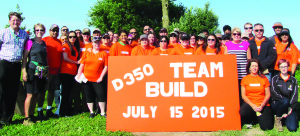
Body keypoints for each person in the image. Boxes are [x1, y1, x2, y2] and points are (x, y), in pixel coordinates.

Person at [0, 12, 29, 127]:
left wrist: (24, 69)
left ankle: (7, 118)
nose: (15, 22)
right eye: (13, 20)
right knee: (1, 91)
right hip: (4, 63)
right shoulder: (3, 32)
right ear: (9, 21)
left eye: (17, 20)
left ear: (20, 21)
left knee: (12, 92)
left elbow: (27, 50)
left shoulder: (24, 34)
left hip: (16, 65)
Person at [76, 36, 108, 118]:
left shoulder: (104, 53)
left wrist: (101, 77)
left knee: (101, 95)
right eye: (95, 42)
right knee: (88, 95)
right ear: (92, 43)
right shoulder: (87, 53)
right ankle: (92, 112)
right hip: (86, 78)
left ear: (100, 43)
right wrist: (79, 74)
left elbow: (106, 67)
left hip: (98, 79)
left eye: (98, 42)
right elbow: (82, 64)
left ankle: (103, 112)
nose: (97, 44)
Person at [22, 23, 47, 125]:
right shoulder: (30, 42)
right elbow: (25, 57)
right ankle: (26, 118)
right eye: (37, 30)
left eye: (41, 30)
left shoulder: (44, 43)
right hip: (32, 69)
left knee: (37, 93)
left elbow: (44, 58)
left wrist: (47, 72)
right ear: (34, 31)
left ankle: (32, 115)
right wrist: (24, 71)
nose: (39, 32)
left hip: (42, 70)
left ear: (44, 31)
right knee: (30, 94)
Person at [240, 59, 274, 130]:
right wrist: (252, 105)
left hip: (262, 104)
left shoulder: (264, 78)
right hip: (250, 103)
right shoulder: (245, 79)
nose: (254, 68)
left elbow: (268, 94)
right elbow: (243, 95)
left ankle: (258, 116)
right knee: (243, 112)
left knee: (267, 127)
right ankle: (251, 119)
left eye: (256, 66)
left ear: (258, 68)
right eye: (252, 66)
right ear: (249, 68)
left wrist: (262, 105)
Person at [38, 24, 61, 119]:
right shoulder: (44, 40)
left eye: (56, 30)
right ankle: (39, 111)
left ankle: (49, 109)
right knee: (42, 90)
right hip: (44, 69)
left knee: (51, 90)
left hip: (56, 71)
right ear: (49, 30)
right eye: (53, 30)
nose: (55, 32)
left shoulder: (60, 42)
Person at [271, 59, 298, 132]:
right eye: (281, 67)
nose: (283, 68)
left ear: (288, 67)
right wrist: (285, 102)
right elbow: (274, 93)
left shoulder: (293, 80)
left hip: (289, 107)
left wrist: (291, 107)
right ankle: (278, 118)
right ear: (279, 68)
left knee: (293, 128)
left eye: (285, 66)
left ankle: (285, 117)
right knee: (285, 101)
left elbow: (295, 95)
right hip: (277, 105)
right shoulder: (275, 79)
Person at [59, 31, 80, 117]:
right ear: (68, 37)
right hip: (65, 72)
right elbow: (65, 58)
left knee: (69, 92)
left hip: (73, 72)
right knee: (65, 93)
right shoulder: (65, 46)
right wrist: (76, 62)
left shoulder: (74, 47)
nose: (72, 38)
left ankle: (68, 110)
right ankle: (63, 112)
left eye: (74, 37)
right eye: (70, 37)